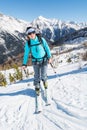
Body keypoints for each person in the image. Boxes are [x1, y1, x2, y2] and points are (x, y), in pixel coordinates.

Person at [22, 26, 52, 96]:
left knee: (44, 74)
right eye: (29, 33)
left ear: (35, 32)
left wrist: (49, 57)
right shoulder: (28, 43)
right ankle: (37, 86)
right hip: (35, 61)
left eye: (33, 32)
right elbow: (26, 54)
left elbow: (47, 48)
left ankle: (45, 81)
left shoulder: (41, 39)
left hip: (44, 60)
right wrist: (24, 63)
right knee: (36, 75)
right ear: (28, 35)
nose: (31, 34)